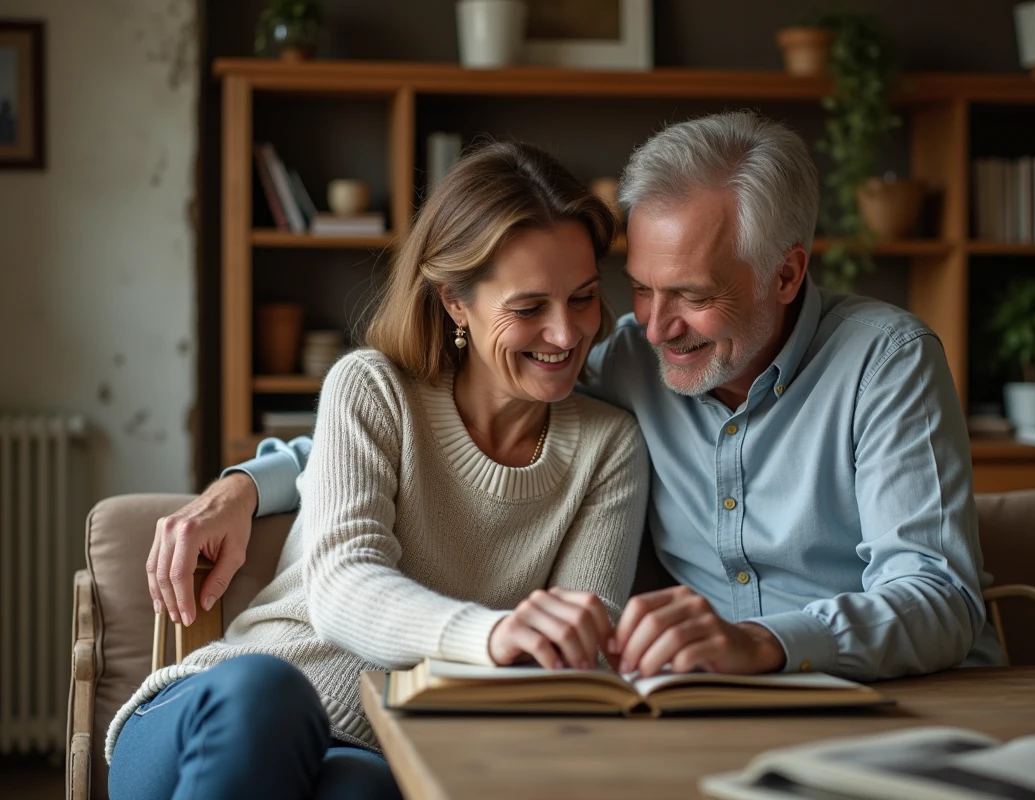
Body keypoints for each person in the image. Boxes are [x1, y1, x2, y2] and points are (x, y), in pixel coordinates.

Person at [151, 111, 1002, 696]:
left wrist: (770, 643)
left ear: (787, 272)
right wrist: (252, 483)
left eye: (693, 296)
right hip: (701, 714)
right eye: (637, 289)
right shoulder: (630, 359)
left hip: (893, 703)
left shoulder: (885, 362)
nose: (654, 326)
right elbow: (430, 422)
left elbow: (941, 599)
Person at [109, 142, 649, 800]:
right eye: (530, 308)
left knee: (366, 790)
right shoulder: (370, 388)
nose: (567, 335)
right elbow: (342, 589)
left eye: (585, 298)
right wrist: (496, 633)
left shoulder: (610, 446)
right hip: (225, 712)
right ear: (455, 302)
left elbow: (576, 651)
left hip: (377, 745)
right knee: (271, 695)